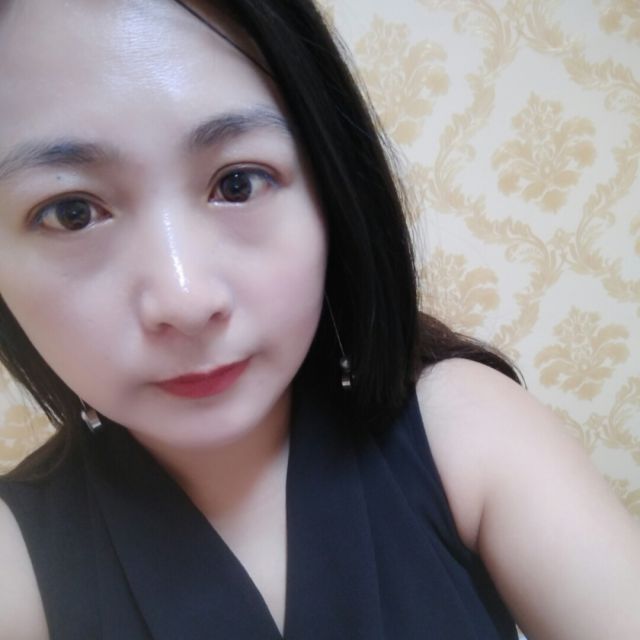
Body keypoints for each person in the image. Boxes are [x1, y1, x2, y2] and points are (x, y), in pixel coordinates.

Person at [0, 0, 638, 638]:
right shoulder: (17, 561)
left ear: (332, 190)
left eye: (239, 183)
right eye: (71, 213)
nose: (186, 300)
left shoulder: (465, 428)